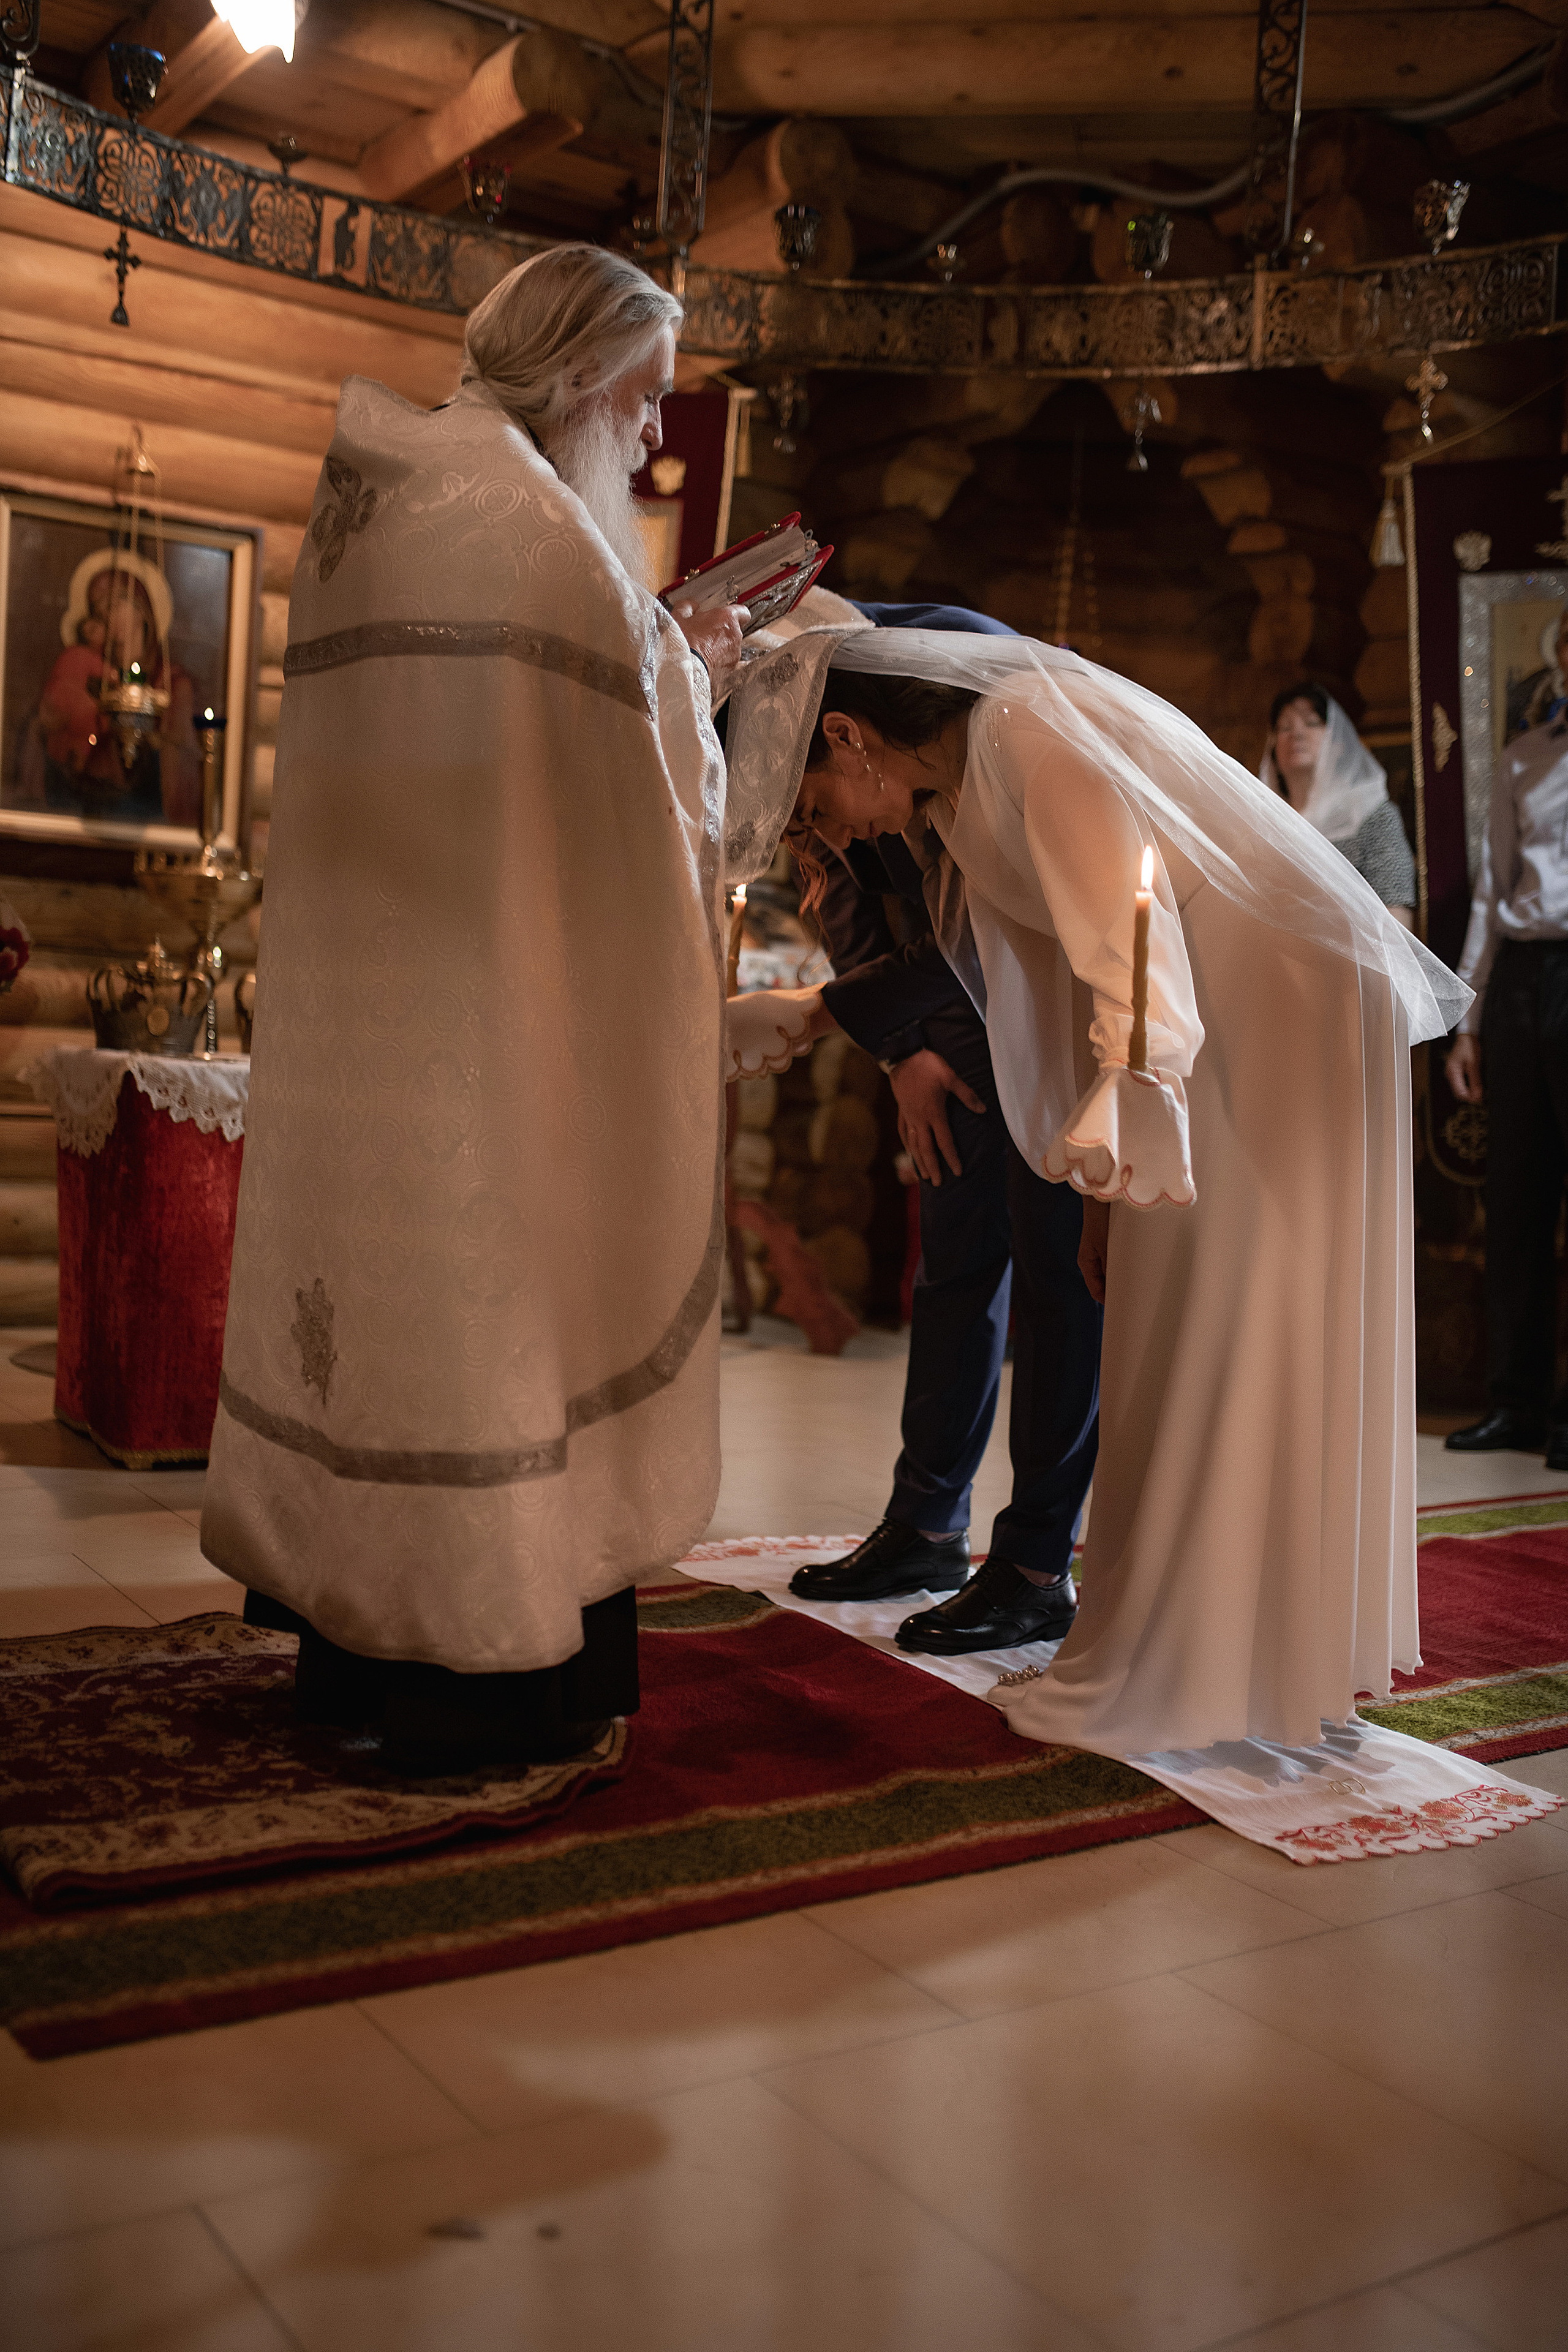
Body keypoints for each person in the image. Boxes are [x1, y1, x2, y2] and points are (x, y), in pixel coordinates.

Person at [718, 626, 1551, 1858]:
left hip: (1250, 1010)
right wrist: (809, 1011)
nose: (831, 834)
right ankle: (1230, 1647)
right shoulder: (956, 777)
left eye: (818, 802)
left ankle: (1192, 1658)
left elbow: (1129, 937)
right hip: (1202, 1020)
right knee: (1190, 1318)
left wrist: (1128, 1126)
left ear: (847, 736)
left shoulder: (1022, 733)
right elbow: (1035, 971)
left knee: (1215, 1317)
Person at [201, 246, 750, 1774]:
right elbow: (625, 792)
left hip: (380, 1038)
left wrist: (650, 658)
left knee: (399, 1320)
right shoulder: (531, 531)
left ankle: (354, 1657)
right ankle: (484, 1681)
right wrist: (687, 670)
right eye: (642, 399)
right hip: (495, 1040)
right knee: (499, 1317)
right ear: (576, 378)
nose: (647, 437)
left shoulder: (387, 499)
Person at [786, 598, 1099, 1656]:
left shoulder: (941, 688)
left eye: (816, 807)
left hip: (1030, 995)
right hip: (932, 1011)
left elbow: (1009, 903)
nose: (821, 833)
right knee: (956, 1269)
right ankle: (926, 1525)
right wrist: (899, 1051)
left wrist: (843, 1018)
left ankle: (1034, 1559)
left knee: (1059, 1270)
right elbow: (843, 892)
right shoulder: (841, 736)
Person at [1445, 605, 1568, 1463]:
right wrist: (1469, 1022)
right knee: (1518, 1195)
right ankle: (1515, 1401)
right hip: (1526, 979)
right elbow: (1491, 896)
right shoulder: (1524, 758)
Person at [1261, 681, 1415, 926]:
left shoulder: (1372, 815)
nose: (1297, 734)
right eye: (1285, 727)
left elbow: (1396, 909)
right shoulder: (1263, 822)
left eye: (1312, 723)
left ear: (1338, 742)